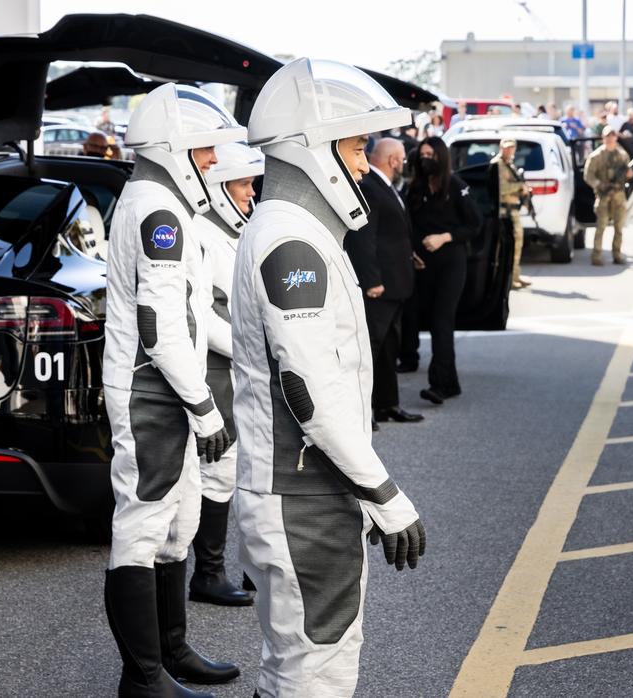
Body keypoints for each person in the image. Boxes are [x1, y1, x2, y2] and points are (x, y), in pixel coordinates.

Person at [235, 58, 425, 697]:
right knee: (317, 673)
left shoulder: (295, 232)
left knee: (294, 666)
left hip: (301, 489)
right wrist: (384, 494)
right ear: (311, 149)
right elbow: (307, 388)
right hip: (302, 493)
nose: (365, 163)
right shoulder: (292, 242)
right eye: (354, 145)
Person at [103, 83, 241, 698]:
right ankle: (144, 677)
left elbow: (181, 316)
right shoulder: (159, 210)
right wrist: (204, 405)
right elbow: (158, 328)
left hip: (164, 388)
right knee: (142, 528)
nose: (214, 159)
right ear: (174, 145)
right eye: (207, 147)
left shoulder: (161, 202)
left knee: (178, 524)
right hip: (148, 391)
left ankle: (171, 652)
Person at [184, 141, 264, 609]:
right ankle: (208, 574)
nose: (250, 194)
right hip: (218, 367)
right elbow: (205, 313)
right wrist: (252, 348)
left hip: (244, 368)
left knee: (247, 470)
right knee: (219, 471)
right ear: (216, 187)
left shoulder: (236, 231)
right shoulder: (199, 233)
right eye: (242, 184)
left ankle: (252, 566)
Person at [344, 137, 425, 427]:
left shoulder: (387, 187)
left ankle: (387, 404)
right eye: (401, 158)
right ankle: (362, 411)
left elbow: (392, 233)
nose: (403, 163)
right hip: (380, 285)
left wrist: (409, 255)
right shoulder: (369, 187)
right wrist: (371, 279)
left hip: (396, 280)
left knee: (391, 346)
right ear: (393, 160)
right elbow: (362, 237)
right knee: (371, 349)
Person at [408, 136, 481, 405]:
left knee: (441, 321)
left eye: (431, 154)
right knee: (429, 320)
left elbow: (475, 225)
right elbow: (409, 224)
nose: (426, 158)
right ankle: (449, 382)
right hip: (423, 264)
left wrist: (445, 237)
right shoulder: (415, 188)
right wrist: (412, 251)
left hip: (451, 262)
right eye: (422, 154)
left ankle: (439, 383)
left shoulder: (457, 187)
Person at [584, 127, 633, 265]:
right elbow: (588, 176)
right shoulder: (596, 156)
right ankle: (597, 256)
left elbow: (627, 174)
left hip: (618, 195)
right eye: (607, 136)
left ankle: (617, 254)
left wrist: (629, 175)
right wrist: (600, 185)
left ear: (616, 138)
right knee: (601, 226)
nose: (610, 138)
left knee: (619, 227)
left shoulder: (623, 155)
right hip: (603, 195)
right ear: (603, 138)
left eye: (612, 136)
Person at [491, 138, 532, 287]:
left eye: (512, 148)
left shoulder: (510, 165)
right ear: (501, 148)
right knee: (505, 247)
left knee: (517, 244)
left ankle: (515, 276)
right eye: (507, 147)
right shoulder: (497, 165)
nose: (509, 150)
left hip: (513, 210)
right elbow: (501, 187)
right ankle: (507, 280)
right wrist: (519, 186)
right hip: (503, 212)